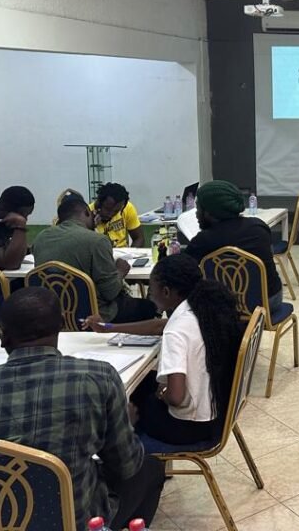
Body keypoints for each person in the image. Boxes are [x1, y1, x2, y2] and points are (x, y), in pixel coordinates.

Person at [0, 287, 165, 530]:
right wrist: (125, 426)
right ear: (60, 327)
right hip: (72, 522)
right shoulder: (99, 378)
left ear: (3, 336)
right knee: (150, 468)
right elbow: (125, 465)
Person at [87, 255, 244, 448]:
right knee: (146, 381)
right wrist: (109, 327)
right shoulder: (202, 309)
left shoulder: (176, 331)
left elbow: (176, 398)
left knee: (126, 401)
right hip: (216, 414)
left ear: (167, 292)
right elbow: (157, 326)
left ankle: (131, 460)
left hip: (186, 428)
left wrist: (163, 393)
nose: (150, 297)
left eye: (151, 291)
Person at [33, 194, 158, 323]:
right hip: (94, 314)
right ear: (87, 212)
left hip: (53, 314)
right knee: (147, 307)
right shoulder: (97, 241)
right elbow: (111, 292)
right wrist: (120, 272)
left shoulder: (40, 238)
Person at [183, 180, 284, 311]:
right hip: (270, 300)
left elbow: (182, 267)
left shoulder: (204, 240)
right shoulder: (258, 226)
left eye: (199, 208)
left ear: (209, 212)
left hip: (226, 307)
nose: (196, 214)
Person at [92, 182, 146, 248]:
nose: (110, 214)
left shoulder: (128, 208)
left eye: (116, 211)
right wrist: (92, 227)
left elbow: (139, 238)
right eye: (108, 209)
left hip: (124, 253)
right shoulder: (86, 215)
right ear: (99, 202)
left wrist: (130, 255)